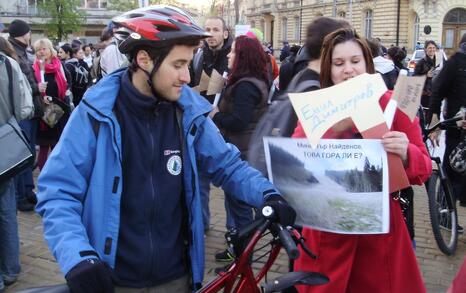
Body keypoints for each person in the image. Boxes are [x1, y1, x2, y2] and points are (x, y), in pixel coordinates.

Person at [36, 6, 295, 293]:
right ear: (144, 59)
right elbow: (58, 192)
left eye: (189, 63)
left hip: (176, 278)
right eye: (178, 64)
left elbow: (227, 166)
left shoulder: (188, 113)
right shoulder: (96, 114)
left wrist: (267, 194)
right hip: (114, 278)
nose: (187, 76)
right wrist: (78, 256)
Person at [292, 28, 431, 293]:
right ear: (329, 70)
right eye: (339, 63)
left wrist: (406, 153)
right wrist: (333, 128)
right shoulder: (316, 109)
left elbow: (423, 168)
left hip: (379, 238)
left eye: (355, 61)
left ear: (368, 65)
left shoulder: (392, 105)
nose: (348, 70)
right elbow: (299, 162)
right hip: (326, 234)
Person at [209, 35, 270, 262]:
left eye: (233, 51)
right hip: (243, 149)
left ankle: (242, 258)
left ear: (243, 56)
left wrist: (216, 115)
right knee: (235, 206)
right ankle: (235, 249)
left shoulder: (246, 86)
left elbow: (239, 121)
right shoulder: (247, 81)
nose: (228, 54)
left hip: (242, 152)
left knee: (240, 210)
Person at [190, 16, 232, 234]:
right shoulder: (197, 57)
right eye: (207, 29)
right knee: (199, 181)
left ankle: (234, 233)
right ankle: (202, 223)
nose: (211, 34)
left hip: (226, 131)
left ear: (225, 33)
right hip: (201, 125)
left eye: (216, 29)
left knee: (231, 184)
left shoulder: (234, 58)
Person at [0, 36, 33, 292]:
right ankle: (11, 268)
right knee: (7, 209)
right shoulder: (10, 63)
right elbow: (24, 109)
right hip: (5, 144)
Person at [7, 19, 42, 211]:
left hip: (30, 110)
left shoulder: (21, 52)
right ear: (24, 33)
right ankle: (22, 196)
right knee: (23, 156)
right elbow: (20, 86)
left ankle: (28, 192)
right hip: (23, 112)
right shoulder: (13, 54)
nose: (30, 36)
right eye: (28, 32)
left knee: (29, 155)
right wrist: (38, 88)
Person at [428, 33, 466, 207]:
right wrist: (434, 121)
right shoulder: (456, 63)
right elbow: (437, 90)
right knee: (452, 170)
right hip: (457, 128)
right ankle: (445, 212)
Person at [32, 38, 69, 171]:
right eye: (39, 50)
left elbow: (66, 82)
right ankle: (43, 175)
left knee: (57, 145)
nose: (42, 52)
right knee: (43, 147)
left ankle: (55, 173)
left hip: (58, 110)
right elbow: (29, 88)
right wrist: (39, 93)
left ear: (50, 50)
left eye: (44, 48)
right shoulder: (34, 68)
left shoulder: (59, 65)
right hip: (43, 113)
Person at [414, 40, 438, 107]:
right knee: (426, 113)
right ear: (425, 49)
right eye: (430, 48)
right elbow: (414, 77)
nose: (432, 49)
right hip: (425, 93)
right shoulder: (421, 62)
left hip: (435, 91)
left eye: (433, 48)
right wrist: (426, 75)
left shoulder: (438, 61)